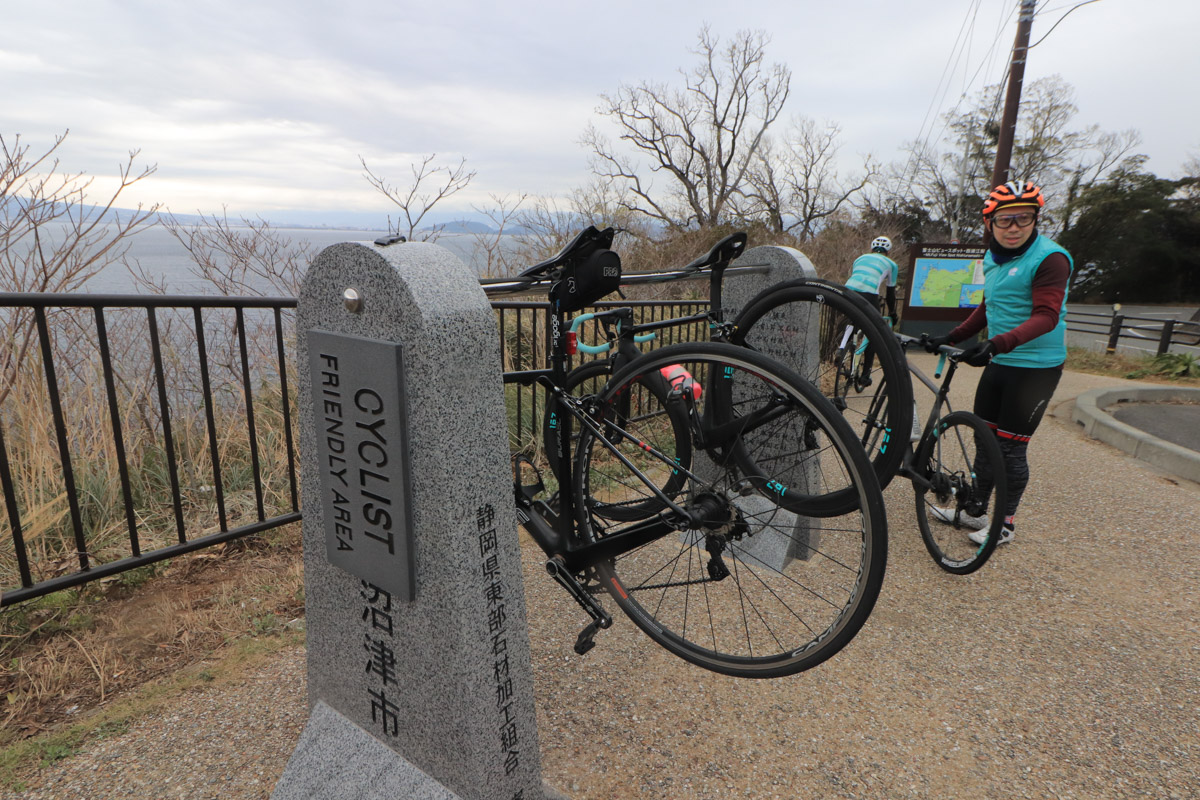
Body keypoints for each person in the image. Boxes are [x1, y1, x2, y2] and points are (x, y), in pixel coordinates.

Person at [923, 180, 1073, 546]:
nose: (1014, 228)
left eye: (1024, 219)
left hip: (1036, 367)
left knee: (1009, 448)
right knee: (984, 439)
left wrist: (995, 344)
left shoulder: (1050, 258)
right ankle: (974, 510)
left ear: (1036, 220)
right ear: (990, 223)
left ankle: (1004, 523)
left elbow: (1046, 316)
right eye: (1005, 220)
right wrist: (953, 336)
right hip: (1002, 360)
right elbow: (990, 306)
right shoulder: (993, 256)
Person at [845, 236, 900, 327]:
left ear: (871, 249)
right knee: (877, 328)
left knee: (846, 323)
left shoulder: (860, 258)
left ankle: (842, 339)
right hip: (869, 293)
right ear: (888, 252)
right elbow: (890, 294)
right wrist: (892, 313)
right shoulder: (892, 264)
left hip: (847, 290)